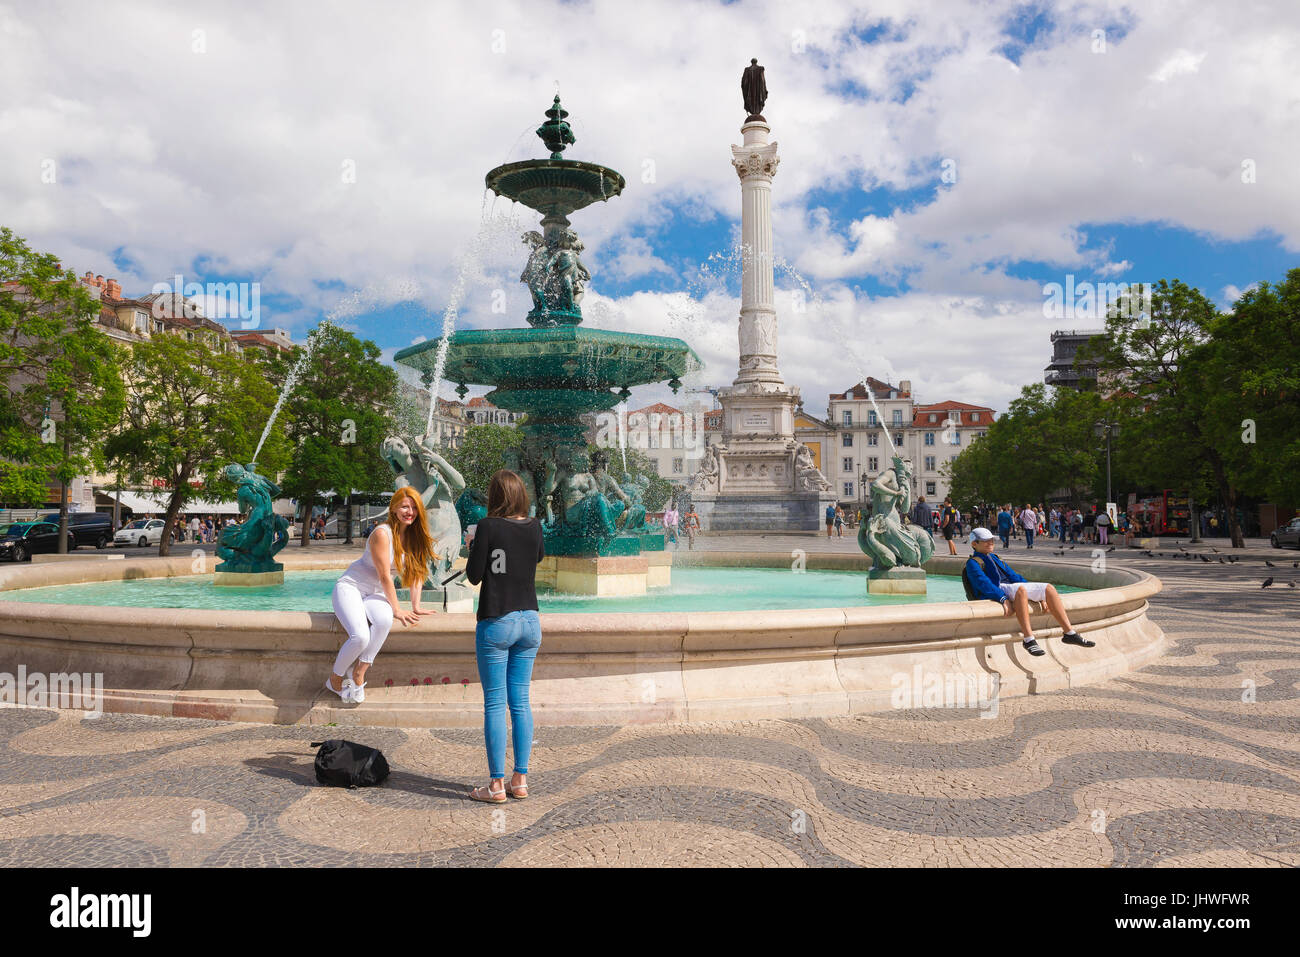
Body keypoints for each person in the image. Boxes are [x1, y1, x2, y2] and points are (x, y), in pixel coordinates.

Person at [464, 470, 545, 804]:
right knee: (521, 701)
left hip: (498, 619)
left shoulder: (487, 527)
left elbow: (473, 576)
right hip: (530, 621)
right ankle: (520, 780)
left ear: (495, 496)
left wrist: (472, 545)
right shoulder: (535, 525)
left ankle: (496, 785)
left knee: (496, 702)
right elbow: (536, 557)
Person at [325, 486, 433, 705]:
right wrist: (397, 609)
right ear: (393, 508)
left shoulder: (414, 537)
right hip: (351, 588)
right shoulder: (382, 534)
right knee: (361, 636)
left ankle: (359, 672)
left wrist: (416, 606)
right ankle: (335, 680)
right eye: (404, 506)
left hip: (374, 593)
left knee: (384, 621)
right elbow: (385, 576)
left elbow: (417, 575)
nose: (409, 511)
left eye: (413, 507)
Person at [962, 528, 1095, 656]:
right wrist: (1002, 598)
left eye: (991, 539)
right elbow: (983, 584)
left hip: (1011, 587)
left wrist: (1038, 595)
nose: (990, 542)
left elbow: (1013, 576)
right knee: (1021, 590)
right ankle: (1028, 639)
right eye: (986, 540)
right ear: (974, 544)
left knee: (1049, 588)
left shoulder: (995, 557)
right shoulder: (973, 563)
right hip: (998, 588)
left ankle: (1069, 633)